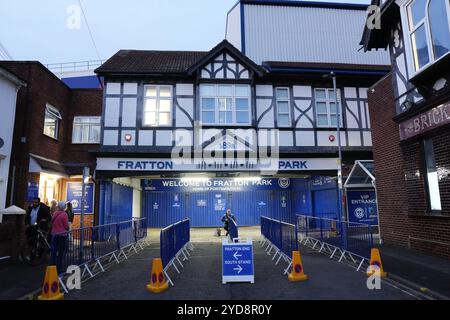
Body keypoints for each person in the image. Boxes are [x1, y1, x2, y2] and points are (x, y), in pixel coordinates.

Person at [50, 201, 69, 273]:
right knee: (61, 252)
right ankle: (59, 269)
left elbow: (52, 222)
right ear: (64, 207)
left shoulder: (55, 213)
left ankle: (52, 267)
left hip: (54, 234)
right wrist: (67, 229)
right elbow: (66, 226)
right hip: (62, 235)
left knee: (54, 251)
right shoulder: (64, 214)